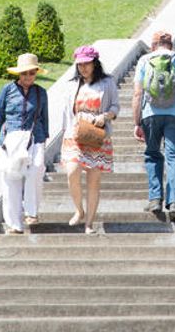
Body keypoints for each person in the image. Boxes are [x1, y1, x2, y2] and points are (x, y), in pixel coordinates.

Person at [132, 30, 175, 221]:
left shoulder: (144, 61)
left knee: (153, 154)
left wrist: (137, 122)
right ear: (171, 45)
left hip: (150, 115)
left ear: (153, 45)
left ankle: (155, 199)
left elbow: (137, 94)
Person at [61, 45, 120, 233]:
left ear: (95, 63)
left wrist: (105, 116)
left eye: (87, 64)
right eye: (80, 65)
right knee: (72, 171)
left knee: (94, 180)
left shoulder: (107, 82)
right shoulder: (72, 84)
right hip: (75, 133)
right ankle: (79, 210)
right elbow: (66, 113)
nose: (83, 68)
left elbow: (115, 106)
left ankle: (89, 224)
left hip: (96, 134)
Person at [0, 53, 50, 233]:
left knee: (37, 169)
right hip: (12, 138)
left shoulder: (40, 92)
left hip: (35, 137)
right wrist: (4, 132)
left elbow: (44, 117)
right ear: (18, 74)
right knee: (11, 178)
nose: (28, 77)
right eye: (24, 73)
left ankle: (31, 212)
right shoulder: (7, 90)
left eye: (31, 73)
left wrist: (44, 137)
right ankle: (14, 223)